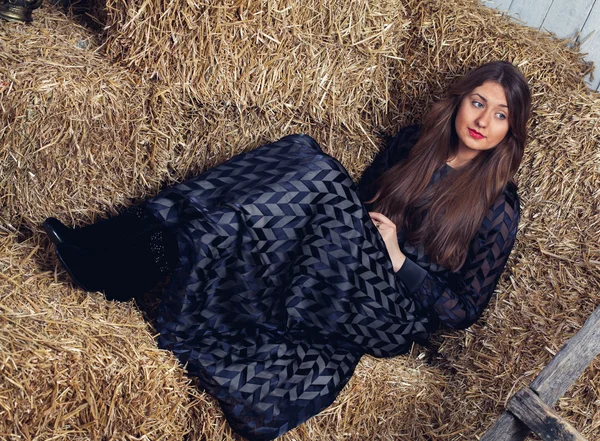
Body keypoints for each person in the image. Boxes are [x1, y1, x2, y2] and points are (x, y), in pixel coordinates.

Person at [43, 61, 531, 441]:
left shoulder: (498, 208)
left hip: (393, 311)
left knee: (316, 170)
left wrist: (397, 259)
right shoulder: (415, 144)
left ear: (511, 130)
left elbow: (463, 309)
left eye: (500, 114)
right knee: (302, 154)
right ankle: (131, 241)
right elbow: (355, 201)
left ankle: (124, 262)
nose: (483, 120)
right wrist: (355, 230)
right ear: (459, 102)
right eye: (477, 102)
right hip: (350, 265)